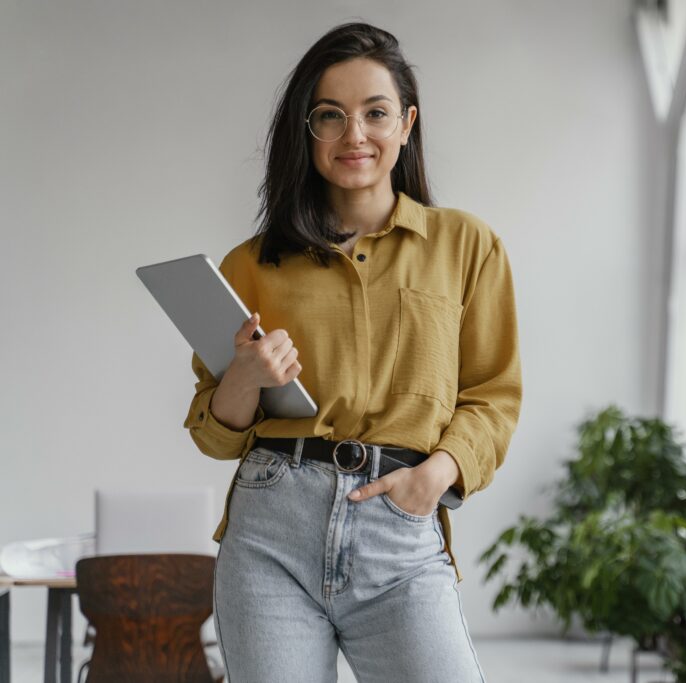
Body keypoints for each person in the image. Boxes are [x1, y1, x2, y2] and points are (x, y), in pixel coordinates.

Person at [182, 22, 521, 682]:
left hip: (400, 526)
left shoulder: (467, 246)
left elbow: (492, 394)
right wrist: (246, 378)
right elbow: (215, 435)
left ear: (407, 123)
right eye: (329, 116)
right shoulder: (250, 266)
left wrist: (438, 473)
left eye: (375, 113)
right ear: (306, 131)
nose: (354, 136)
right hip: (270, 530)